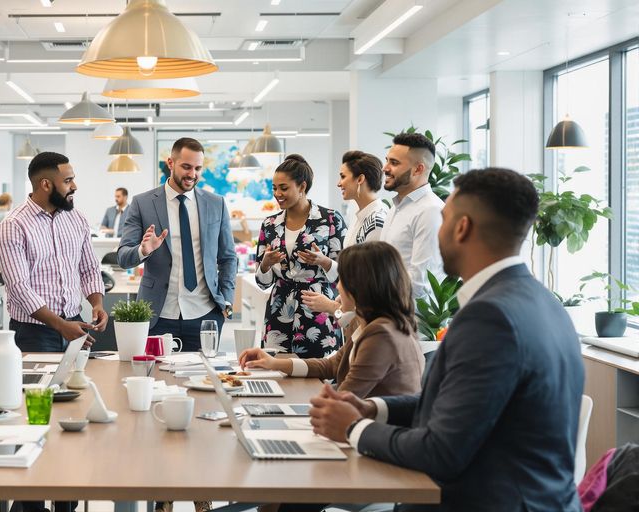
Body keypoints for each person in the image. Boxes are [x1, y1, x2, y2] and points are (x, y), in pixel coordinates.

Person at [309, 168, 584, 511]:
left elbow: (441, 451)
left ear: (462, 227)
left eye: (443, 219)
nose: (437, 232)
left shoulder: (491, 318)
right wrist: (374, 408)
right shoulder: (543, 303)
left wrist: (353, 428)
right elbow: (455, 407)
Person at [240, 241, 422, 398]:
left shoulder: (381, 336)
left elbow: (341, 398)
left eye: (343, 280)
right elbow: (332, 365)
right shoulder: (374, 325)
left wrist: (296, 399)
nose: (339, 287)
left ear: (361, 287)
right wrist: (274, 364)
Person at [117, 137, 237, 352]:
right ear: (170, 163)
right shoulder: (142, 203)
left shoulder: (215, 203)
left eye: (198, 168)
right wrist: (142, 250)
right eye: (186, 167)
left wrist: (226, 300)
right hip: (158, 314)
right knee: (156, 380)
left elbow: (228, 257)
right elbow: (123, 257)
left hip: (205, 314)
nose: (192, 174)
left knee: (202, 379)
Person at [0, 151, 107, 353]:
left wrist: (97, 303)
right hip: (33, 332)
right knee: (39, 386)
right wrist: (60, 325)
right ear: (46, 185)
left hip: (75, 324)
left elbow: (89, 268)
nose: (74, 186)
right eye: (68, 181)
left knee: (80, 383)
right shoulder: (13, 226)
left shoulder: (77, 219)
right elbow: (19, 288)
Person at [253, 154, 347, 357]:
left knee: (321, 373)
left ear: (302, 187)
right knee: (275, 371)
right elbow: (262, 282)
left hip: (318, 308)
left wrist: (325, 262)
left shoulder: (330, 220)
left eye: (284, 188)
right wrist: (265, 266)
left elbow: (346, 275)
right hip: (279, 310)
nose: (277, 193)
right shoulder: (269, 225)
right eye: (274, 188)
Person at [300, 150, 388, 315]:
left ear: (360, 179)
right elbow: (353, 272)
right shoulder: (359, 216)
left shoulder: (377, 221)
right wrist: (325, 262)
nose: (339, 183)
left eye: (343, 176)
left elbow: (369, 283)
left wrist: (332, 307)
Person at [378, 132, 445, 299]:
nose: (385, 168)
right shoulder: (397, 207)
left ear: (418, 169)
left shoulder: (430, 211)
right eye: (387, 160)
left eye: (394, 163)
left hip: (411, 320)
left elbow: (419, 283)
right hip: (389, 314)